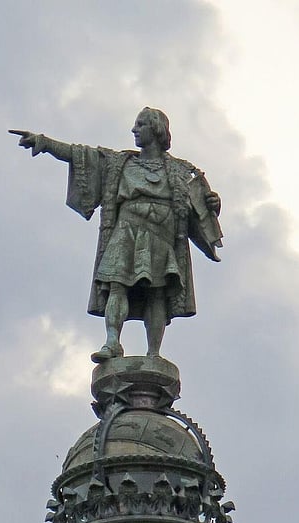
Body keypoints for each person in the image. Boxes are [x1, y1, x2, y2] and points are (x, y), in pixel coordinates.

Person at [12, 107, 222, 362]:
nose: (134, 129)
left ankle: (153, 354)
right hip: (127, 229)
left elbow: (201, 208)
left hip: (162, 235)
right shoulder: (120, 163)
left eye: (141, 124)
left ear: (156, 129)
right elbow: (80, 155)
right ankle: (112, 342)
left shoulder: (181, 170)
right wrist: (44, 143)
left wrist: (213, 203)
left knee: (157, 293)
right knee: (116, 285)